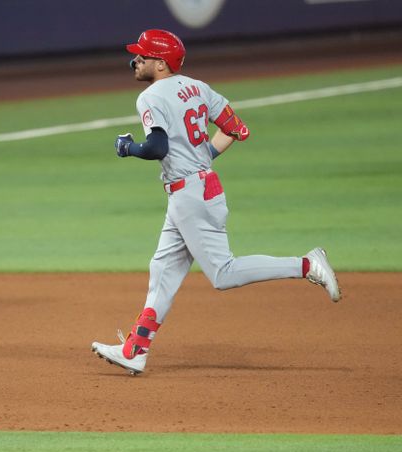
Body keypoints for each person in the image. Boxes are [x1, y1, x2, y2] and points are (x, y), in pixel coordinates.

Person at [91, 29, 341, 376]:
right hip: (195, 191)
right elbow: (236, 128)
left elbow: (157, 148)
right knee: (162, 270)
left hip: (191, 197)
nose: (135, 61)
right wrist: (200, 158)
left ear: (160, 64)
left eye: (143, 56)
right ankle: (136, 348)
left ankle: (307, 265)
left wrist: (127, 148)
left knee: (223, 273)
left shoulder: (150, 97)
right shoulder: (198, 87)